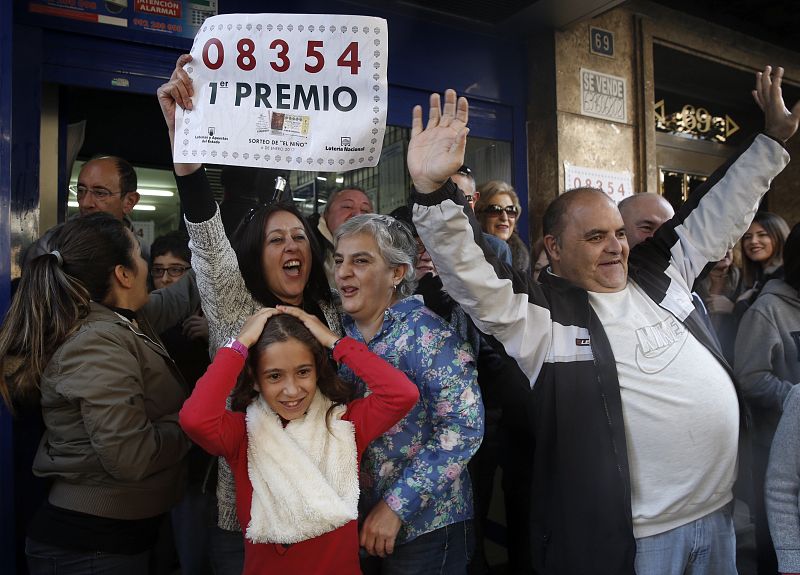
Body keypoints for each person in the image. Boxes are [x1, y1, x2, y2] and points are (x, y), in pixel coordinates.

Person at [407, 65, 798, 574]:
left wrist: (771, 141)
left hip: (720, 522)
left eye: (617, 232)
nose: (615, 246)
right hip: (636, 545)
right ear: (554, 248)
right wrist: (432, 192)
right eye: (595, 237)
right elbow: (469, 276)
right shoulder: (543, 320)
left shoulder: (663, 273)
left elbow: (718, 212)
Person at [157, 53, 344, 574]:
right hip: (247, 528)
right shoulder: (238, 308)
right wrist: (189, 161)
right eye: (276, 239)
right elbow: (210, 249)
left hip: (325, 516)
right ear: (257, 258)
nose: (292, 246)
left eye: (299, 237)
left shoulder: (331, 314)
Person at [0, 213, 191, 574]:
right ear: (122, 274)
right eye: (139, 254)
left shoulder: (122, 317)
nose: (147, 264)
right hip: (91, 548)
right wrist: (193, 423)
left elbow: (184, 294)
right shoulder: (95, 341)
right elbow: (130, 455)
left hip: (116, 539)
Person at [179, 307, 419, 575]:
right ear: (255, 380)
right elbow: (194, 419)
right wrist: (240, 344)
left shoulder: (344, 423)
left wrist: (334, 341)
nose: (292, 390)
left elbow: (402, 394)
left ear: (318, 371)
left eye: (303, 372)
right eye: (274, 376)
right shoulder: (242, 434)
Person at [331, 214, 484, 573]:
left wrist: (396, 506)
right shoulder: (345, 335)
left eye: (361, 260)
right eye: (339, 260)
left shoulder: (429, 334)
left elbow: (464, 428)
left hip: (428, 530)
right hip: (363, 524)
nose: (343, 272)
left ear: (397, 273)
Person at [736, 222, 800, 575]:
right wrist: (794, 399)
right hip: (775, 446)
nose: (754, 243)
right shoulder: (767, 310)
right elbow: (751, 377)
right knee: (776, 550)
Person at [150, 231, 214, 575]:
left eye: (176, 271)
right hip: (158, 453)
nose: (166, 279)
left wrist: (215, 333)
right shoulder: (142, 321)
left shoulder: (210, 319)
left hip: (198, 458)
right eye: (158, 270)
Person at [22, 155, 146, 266]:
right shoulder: (50, 246)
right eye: (81, 190)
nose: (85, 203)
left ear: (129, 202)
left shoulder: (143, 253)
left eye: (100, 193)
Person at [308, 186, 374, 286]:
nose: (357, 215)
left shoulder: (381, 252)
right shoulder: (306, 244)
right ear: (326, 214)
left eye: (365, 210)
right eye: (347, 207)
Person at [451, 165, 513, 266]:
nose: (504, 217)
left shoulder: (496, 248)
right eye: (495, 210)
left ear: (474, 200)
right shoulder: (424, 244)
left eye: (460, 197)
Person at [737, 211, 790, 315]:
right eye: (747, 237)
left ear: (779, 237)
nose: (753, 241)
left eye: (762, 235)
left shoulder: (787, 278)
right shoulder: (752, 277)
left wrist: (738, 306)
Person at [474, 180, 530, 273]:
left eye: (510, 211)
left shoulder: (520, 260)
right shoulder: (470, 255)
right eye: (495, 210)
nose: (504, 218)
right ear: (479, 215)